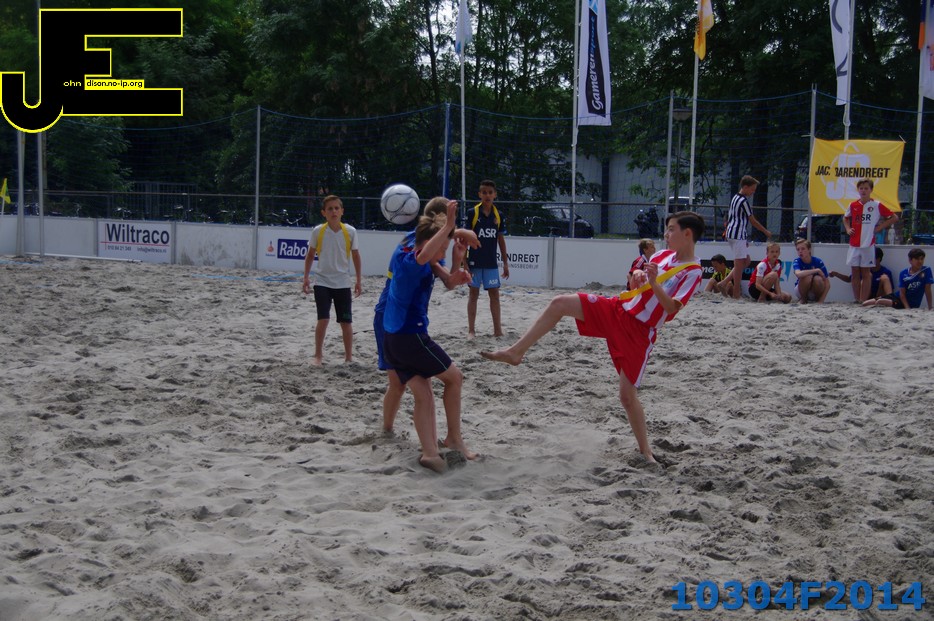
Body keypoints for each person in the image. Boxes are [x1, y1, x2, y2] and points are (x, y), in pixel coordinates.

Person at [481, 211, 705, 465]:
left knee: (626, 397)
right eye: (667, 228)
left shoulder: (693, 271)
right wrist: (638, 278)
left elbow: (672, 307)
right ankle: (516, 351)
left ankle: (646, 452)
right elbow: (636, 285)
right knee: (559, 302)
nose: (666, 234)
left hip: (640, 332)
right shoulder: (661, 255)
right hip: (619, 310)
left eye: (671, 229)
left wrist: (653, 283)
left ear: (687, 234)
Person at [384, 201, 477, 472]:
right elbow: (425, 256)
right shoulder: (411, 261)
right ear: (429, 243)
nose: (443, 254)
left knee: (423, 393)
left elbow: (447, 278)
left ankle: (429, 453)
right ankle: (454, 438)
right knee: (455, 378)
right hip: (409, 337)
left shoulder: (419, 256)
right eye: (442, 248)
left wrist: (457, 262)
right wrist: (450, 225)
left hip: (394, 337)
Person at [302, 195, 362, 366]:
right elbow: (310, 255)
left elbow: (356, 256)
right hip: (322, 281)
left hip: (343, 282)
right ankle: (318, 356)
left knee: (346, 322)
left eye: (337, 208)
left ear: (342, 211)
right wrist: (306, 278)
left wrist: (358, 280)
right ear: (324, 213)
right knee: (323, 319)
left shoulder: (350, 231)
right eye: (330, 209)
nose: (334, 211)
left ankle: (348, 357)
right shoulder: (318, 231)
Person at [466, 179, 509, 339]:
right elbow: (463, 239)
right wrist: (464, 264)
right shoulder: (473, 213)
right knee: (473, 295)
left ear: (495, 195)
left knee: (495, 296)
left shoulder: (498, 215)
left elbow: (501, 240)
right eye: (484, 192)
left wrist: (505, 263)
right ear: (479, 194)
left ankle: (497, 330)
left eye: (490, 192)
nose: (487, 195)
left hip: (491, 263)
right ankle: (471, 330)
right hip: (474, 262)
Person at [843, 178, 898, 302]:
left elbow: (894, 217)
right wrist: (848, 229)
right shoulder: (853, 205)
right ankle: (857, 299)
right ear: (858, 190)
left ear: (871, 190)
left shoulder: (876, 205)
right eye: (861, 188)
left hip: (868, 244)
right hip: (854, 244)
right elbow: (845, 218)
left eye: (866, 188)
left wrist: (879, 227)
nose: (863, 191)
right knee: (855, 271)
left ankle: (864, 300)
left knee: (866, 272)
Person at [722, 175, 772, 299]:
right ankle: (736, 294)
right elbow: (752, 221)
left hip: (733, 233)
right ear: (745, 187)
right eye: (752, 189)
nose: (753, 192)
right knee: (739, 264)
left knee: (746, 261)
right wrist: (765, 231)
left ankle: (724, 283)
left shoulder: (735, 197)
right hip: (738, 234)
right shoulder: (743, 201)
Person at [863, 248, 933, 310]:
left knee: (881, 302)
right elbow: (902, 293)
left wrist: (930, 306)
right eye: (917, 259)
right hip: (897, 297)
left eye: (922, 259)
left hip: (909, 303)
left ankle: (885, 303)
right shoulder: (903, 273)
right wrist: (907, 307)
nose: (920, 261)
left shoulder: (926, 270)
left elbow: (928, 290)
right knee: (865, 303)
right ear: (910, 260)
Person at [791, 239, 831, 304]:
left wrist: (821, 300)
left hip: (813, 292)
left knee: (818, 279)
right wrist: (816, 270)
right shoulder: (797, 261)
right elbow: (798, 274)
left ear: (809, 249)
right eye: (798, 249)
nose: (800, 251)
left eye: (803, 249)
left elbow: (827, 284)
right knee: (807, 276)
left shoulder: (818, 261)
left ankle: (817, 300)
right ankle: (803, 299)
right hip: (800, 291)